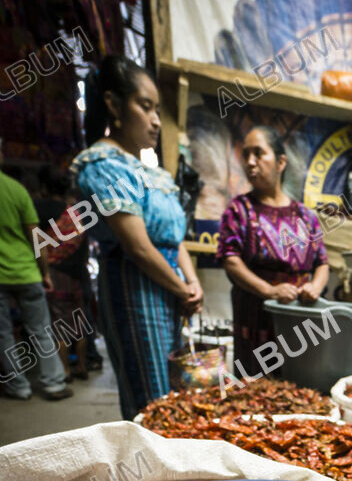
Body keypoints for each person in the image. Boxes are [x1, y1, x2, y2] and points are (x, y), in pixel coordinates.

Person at [72, 56, 203, 419]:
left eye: (157, 110)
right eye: (145, 107)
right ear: (114, 104)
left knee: (179, 395)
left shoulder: (151, 173)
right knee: (152, 400)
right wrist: (183, 288)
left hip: (171, 287)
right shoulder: (103, 166)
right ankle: (151, 475)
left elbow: (173, 236)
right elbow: (139, 247)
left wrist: (192, 283)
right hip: (135, 290)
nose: (156, 120)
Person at [217, 126, 329, 377]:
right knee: (255, 393)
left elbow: (322, 261)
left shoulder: (305, 215)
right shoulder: (240, 210)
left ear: (280, 162)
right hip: (256, 319)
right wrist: (270, 291)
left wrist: (315, 288)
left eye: (258, 153)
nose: (250, 162)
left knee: (299, 390)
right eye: (246, 155)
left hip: (299, 323)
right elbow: (230, 260)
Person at [0, 140, 72, 401]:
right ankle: (54, 383)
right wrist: (45, 273)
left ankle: (18, 386)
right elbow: (36, 238)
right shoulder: (16, 191)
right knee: (40, 328)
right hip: (26, 271)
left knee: (3, 333)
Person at [35, 166, 89, 382]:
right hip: (77, 274)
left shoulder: (40, 209)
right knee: (79, 323)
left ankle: (65, 370)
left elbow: (38, 244)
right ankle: (82, 367)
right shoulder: (76, 215)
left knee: (59, 325)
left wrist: (44, 272)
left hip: (55, 275)